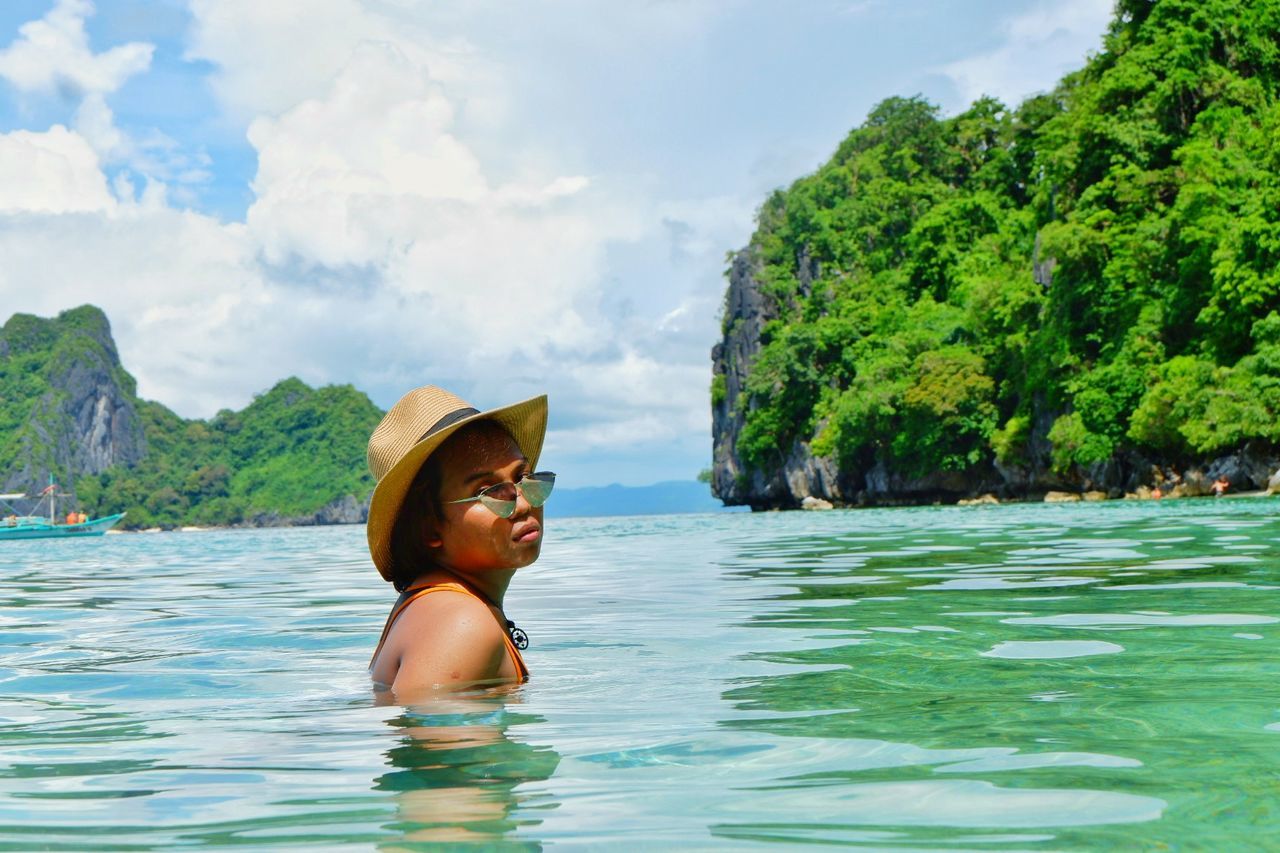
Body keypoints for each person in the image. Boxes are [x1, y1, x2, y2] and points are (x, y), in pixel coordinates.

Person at [366, 385, 553, 699]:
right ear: (429, 528)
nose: (522, 504)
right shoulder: (460, 623)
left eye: (522, 477)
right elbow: (442, 746)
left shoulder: (429, 606)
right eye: (488, 490)